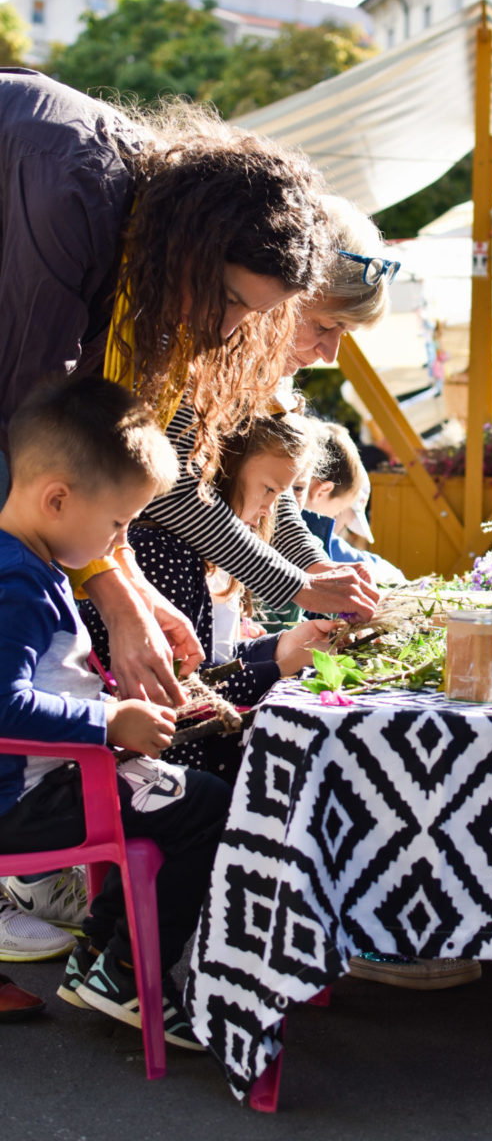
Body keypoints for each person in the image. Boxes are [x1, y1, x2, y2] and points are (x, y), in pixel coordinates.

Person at [0, 68, 338, 707]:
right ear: (191, 245)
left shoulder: (150, 243)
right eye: (227, 298)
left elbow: (109, 435)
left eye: (252, 314)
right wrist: (117, 598)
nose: (225, 330)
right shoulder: (70, 193)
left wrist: (133, 586)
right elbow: (33, 427)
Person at [0, 376, 231, 1044]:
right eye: (116, 524)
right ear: (57, 499)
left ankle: (98, 958)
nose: (118, 543)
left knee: (179, 794)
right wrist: (107, 723)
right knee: (205, 805)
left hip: (48, 785)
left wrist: (115, 714)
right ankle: (126, 974)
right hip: (22, 804)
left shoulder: (32, 565)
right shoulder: (17, 583)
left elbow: (50, 685)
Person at [137, 194, 395, 638]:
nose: (330, 353)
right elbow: (171, 489)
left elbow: (278, 494)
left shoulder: (268, 370)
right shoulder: (199, 349)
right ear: (283, 296)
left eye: (344, 334)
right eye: (324, 326)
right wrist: (298, 584)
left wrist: (315, 567)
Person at [81, 411, 340, 779]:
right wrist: (278, 669)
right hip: (158, 764)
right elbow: (182, 695)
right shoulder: (162, 553)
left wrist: (282, 645)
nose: (271, 509)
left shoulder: (198, 558)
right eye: (269, 489)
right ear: (225, 471)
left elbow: (211, 660)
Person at [300, 420, 405, 585]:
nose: (340, 528)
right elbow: (342, 554)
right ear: (321, 491)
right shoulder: (307, 536)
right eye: (336, 513)